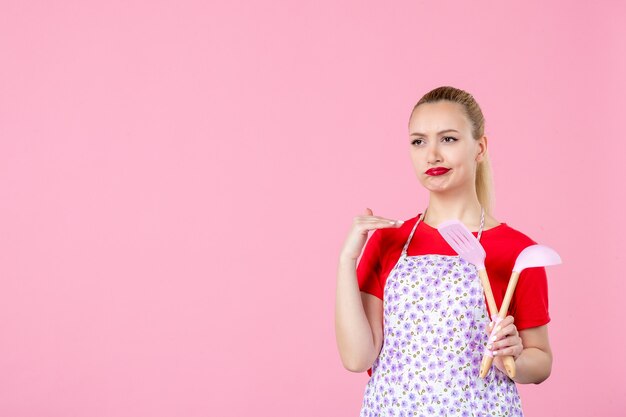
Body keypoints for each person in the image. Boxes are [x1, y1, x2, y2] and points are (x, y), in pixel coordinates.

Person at [334, 86, 552, 416]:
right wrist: (346, 261)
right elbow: (357, 358)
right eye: (418, 141)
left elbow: (541, 360)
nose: (432, 154)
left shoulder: (518, 251)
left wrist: (515, 357)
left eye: (448, 139)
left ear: (480, 147)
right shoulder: (389, 241)